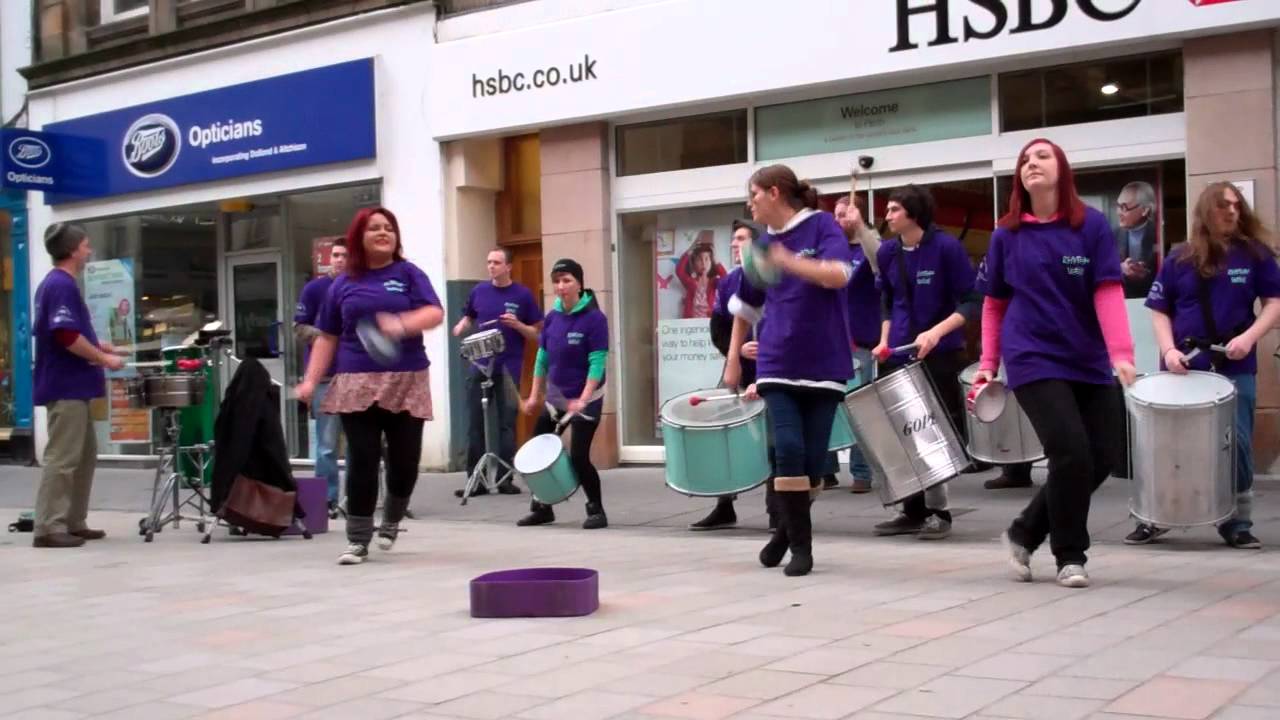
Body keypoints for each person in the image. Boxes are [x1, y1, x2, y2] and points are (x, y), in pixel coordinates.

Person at [979, 138, 1137, 589]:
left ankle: (1024, 531)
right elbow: (994, 303)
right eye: (1025, 160)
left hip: (1086, 355)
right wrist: (989, 361)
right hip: (1032, 354)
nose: (1032, 163)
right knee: (1069, 451)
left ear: (1062, 169)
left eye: (1042, 156)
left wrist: (1121, 354)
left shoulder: (1091, 226)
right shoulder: (1006, 234)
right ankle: (1070, 555)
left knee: (1103, 456)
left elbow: (1107, 290)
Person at [1125, 182, 1280, 549]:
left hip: (1234, 365)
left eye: (1236, 205)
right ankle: (1155, 515)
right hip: (1183, 366)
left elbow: (1274, 303)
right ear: (1207, 210)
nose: (1232, 211)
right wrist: (1168, 351)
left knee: (1237, 444)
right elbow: (1159, 310)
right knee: (1168, 445)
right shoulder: (1180, 257)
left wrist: (1249, 338)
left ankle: (1237, 521)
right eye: (1224, 205)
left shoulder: (1255, 255)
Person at [725, 164, 854, 577]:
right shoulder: (761, 245)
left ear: (775, 192)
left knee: (814, 464)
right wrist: (733, 360)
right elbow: (745, 307)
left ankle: (784, 535)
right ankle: (802, 548)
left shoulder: (821, 227)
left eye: (754, 195)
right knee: (788, 450)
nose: (750, 204)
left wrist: (791, 261)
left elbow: (839, 275)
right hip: (777, 361)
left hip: (825, 361)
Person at [296, 207, 443, 565]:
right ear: (359, 237)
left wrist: (402, 323)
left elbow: (435, 312)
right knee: (362, 457)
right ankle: (358, 539)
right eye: (374, 228)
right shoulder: (343, 283)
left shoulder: (409, 274)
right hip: (355, 381)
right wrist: (311, 380)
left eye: (389, 227)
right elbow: (327, 336)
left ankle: (391, 519)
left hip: (406, 380)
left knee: (404, 461)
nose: (383, 232)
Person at [871, 184, 978, 541]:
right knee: (902, 433)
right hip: (897, 353)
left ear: (914, 214)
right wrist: (884, 341)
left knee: (932, 432)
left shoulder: (946, 248)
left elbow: (971, 300)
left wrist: (935, 333)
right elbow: (887, 300)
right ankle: (912, 510)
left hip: (940, 353)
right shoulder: (888, 252)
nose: (887, 215)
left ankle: (939, 512)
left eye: (894, 209)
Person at [31, 223, 125, 548]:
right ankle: (48, 527)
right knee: (63, 457)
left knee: (84, 456)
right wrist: (103, 358)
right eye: (85, 245)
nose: (89, 251)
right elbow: (66, 335)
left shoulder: (59, 284)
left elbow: (69, 333)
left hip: (75, 386)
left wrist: (101, 346)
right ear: (72, 251)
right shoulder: (60, 285)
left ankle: (73, 521)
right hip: (66, 386)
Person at [516, 258, 611, 529]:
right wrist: (534, 395)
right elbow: (542, 359)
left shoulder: (594, 319)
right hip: (555, 399)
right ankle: (542, 507)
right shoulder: (552, 318)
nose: (561, 286)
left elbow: (597, 362)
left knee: (579, 456)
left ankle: (596, 510)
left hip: (586, 400)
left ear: (579, 284)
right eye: (556, 281)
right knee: (537, 452)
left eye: (567, 280)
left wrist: (584, 397)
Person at [691, 219, 766, 531]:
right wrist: (736, 352)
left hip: (773, 370)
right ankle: (724, 506)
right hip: (739, 370)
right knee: (724, 436)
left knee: (771, 441)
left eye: (741, 238)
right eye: (733, 239)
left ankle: (778, 511)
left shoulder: (774, 276)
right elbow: (718, 328)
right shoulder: (728, 282)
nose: (734, 244)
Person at [451, 247, 543, 497]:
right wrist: (461, 326)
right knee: (475, 423)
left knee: (506, 424)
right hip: (480, 365)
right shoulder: (479, 291)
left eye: (496, 262)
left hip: (508, 368)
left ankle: (504, 479)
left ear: (508, 267)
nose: (491, 266)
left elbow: (536, 334)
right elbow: (468, 316)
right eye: (489, 262)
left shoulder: (522, 295)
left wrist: (518, 325)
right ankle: (476, 481)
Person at [294, 239, 348, 513]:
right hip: (325, 378)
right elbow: (299, 328)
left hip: (355, 376)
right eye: (335, 255)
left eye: (345, 255)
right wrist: (327, 336)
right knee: (326, 444)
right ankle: (327, 499)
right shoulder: (314, 289)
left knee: (358, 443)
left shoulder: (359, 287)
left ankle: (355, 499)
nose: (339, 260)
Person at [831, 194, 879, 494]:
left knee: (860, 407)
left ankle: (862, 472)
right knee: (826, 405)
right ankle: (825, 470)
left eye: (844, 214)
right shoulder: (831, 250)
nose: (839, 220)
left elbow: (881, 261)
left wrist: (861, 229)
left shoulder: (868, 248)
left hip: (861, 340)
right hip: (832, 339)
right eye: (836, 215)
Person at [1115, 181, 1159, 299]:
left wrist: (1145, 274)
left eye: (1124, 207)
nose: (1118, 213)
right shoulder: (1111, 235)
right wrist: (1120, 269)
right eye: (1118, 206)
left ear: (1145, 210)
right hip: (1123, 300)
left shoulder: (1159, 234)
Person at [676, 237, 727, 319]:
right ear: (694, 264)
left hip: (708, 321)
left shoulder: (714, 282)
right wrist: (690, 250)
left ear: (711, 262)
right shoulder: (690, 282)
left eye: (706, 259)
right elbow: (679, 271)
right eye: (699, 259)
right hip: (691, 322)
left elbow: (726, 280)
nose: (703, 263)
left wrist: (716, 260)